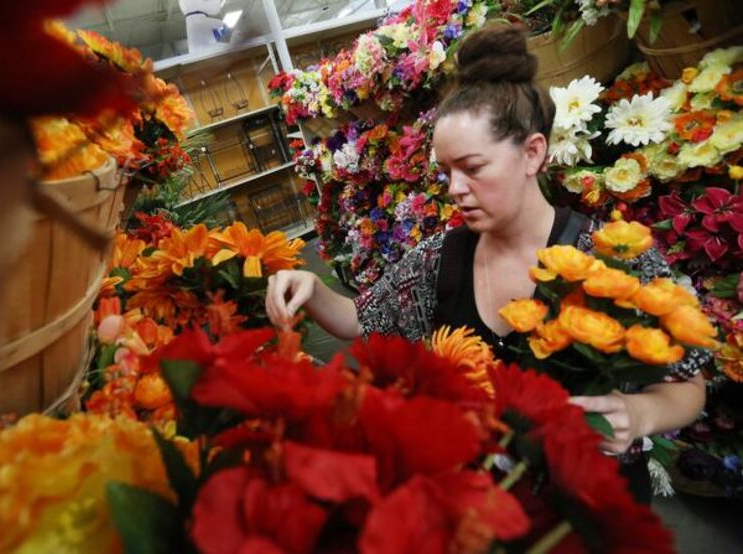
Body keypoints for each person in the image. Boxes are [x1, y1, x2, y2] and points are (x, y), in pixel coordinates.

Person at [265, 25, 707, 503]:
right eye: (446, 171)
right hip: (484, 514)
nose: (454, 188)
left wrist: (639, 414)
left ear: (532, 153)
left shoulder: (612, 257)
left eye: (472, 168)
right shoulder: (439, 258)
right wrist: (311, 286)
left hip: (594, 512)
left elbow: (689, 384)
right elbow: (362, 319)